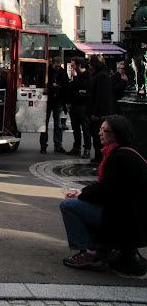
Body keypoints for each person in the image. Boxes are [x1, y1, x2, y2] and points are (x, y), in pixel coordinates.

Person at [59, 115, 147, 276]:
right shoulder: (127, 153)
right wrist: (83, 192)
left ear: (116, 134)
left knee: (68, 205)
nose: (100, 133)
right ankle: (102, 249)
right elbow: (108, 187)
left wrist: (81, 194)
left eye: (104, 130)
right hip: (130, 217)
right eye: (100, 129)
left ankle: (91, 253)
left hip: (125, 220)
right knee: (80, 201)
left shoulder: (120, 158)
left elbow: (106, 191)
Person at [87, 55, 113, 167]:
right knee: (96, 135)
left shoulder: (101, 76)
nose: (89, 66)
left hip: (98, 113)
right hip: (96, 111)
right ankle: (98, 156)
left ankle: (100, 157)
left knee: (98, 136)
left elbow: (100, 96)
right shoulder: (100, 75)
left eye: (90, 64)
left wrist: (96, 113)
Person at [40, 57, 69, 154]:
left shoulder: (61, 72)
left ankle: (56, 145)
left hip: (57, 100)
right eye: (56, 66)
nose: (58, 68)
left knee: (57, 124)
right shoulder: (49, 71)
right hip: (51, 99)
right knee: (46, 123)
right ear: (53, 64)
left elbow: (66, 87)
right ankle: (45, 145)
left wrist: (58, 87)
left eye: (59, 66)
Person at [65, 57, 91, 158]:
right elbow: (72, 89)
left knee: (85, 129)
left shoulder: (87, 74)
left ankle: (87, 149)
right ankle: (76, 147)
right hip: (74, 105)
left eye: (73, 65)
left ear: (79, 65)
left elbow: (85, 87)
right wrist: (68, 103)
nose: (71, 67)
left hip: (83, 106)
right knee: (75, 128)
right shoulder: (74, 75)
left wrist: (75, 79)